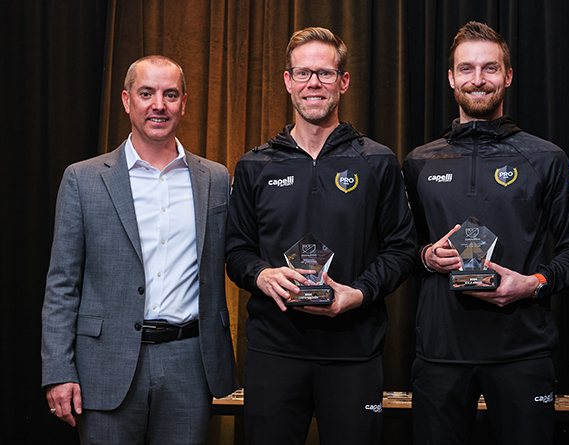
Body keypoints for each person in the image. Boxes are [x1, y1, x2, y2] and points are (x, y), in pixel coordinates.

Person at [225, 27, 416, 445]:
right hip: (273, 351)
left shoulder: (377, 161)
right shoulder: (255, 165)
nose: (314, 83)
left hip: (354, 351)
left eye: (326, 74)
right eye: (304, 73)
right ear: (288, 81)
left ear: (343, 82)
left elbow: (402, 249)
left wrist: (361, 293)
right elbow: (236, 250)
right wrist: (261, 275)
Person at [402, 21, 569, 444]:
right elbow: (400, 251)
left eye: (490, 68)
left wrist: (534, 284)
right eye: (466, 69)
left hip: (522, 352)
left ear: (507, 76)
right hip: (440, 354)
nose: (478, 79)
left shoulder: (546, 158)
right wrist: (427, 256)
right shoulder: (419, 161)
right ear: (451, 78)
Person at [41, 55, 238, 444]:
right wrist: (58, 370)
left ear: (184, 103)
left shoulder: (215, 178)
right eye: (146, 93)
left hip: (190, 362)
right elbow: (62, 283)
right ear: (127, 100)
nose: (158, 105)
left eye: (170, 94)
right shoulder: (83, 179)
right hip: (105, 364)